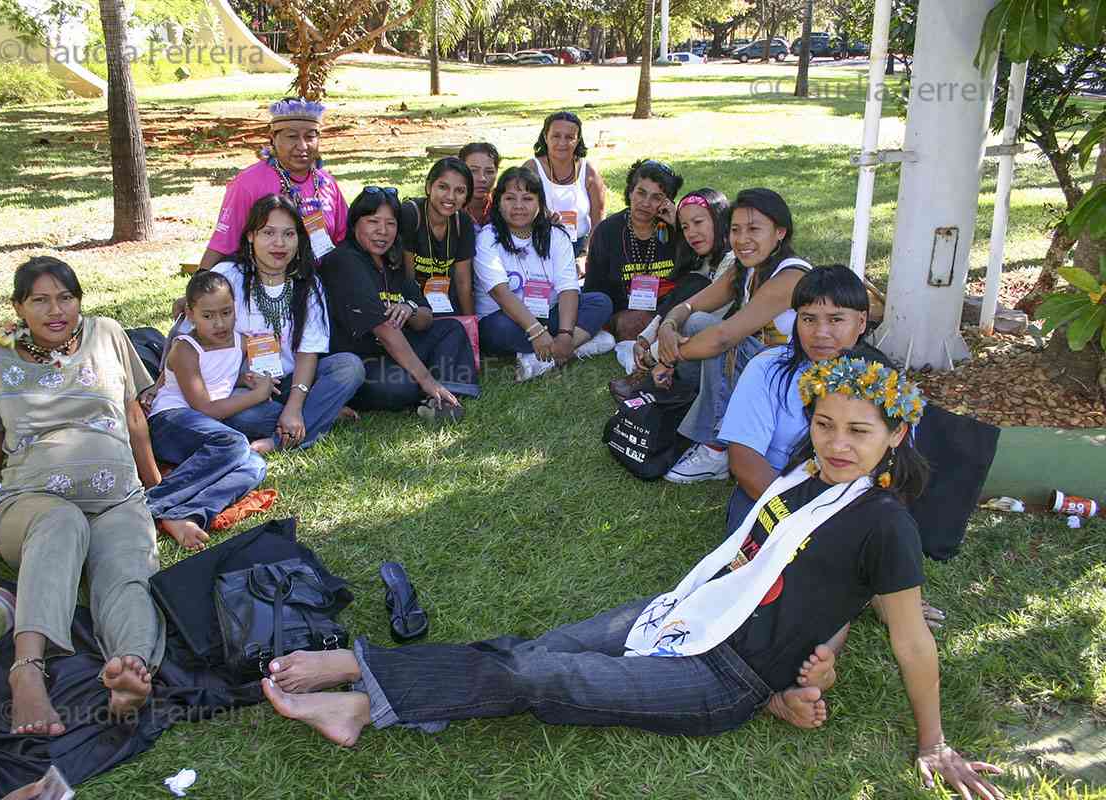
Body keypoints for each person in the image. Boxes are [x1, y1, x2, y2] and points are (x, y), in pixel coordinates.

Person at [258, 352, 1006, 800]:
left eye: (859, 431)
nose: (837, 444)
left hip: (722, 679)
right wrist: (820, 659)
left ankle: (361, 690)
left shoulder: (885, 523)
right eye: (825, 424)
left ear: (896, 433)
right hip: (683, 612)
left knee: (541, 677)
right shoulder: (806, 476)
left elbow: (910, 640)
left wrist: (933, 742)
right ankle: (363, 685)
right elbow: (809, 586)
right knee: (540, 648)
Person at [0, 257, 165, 736]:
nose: (55, 310)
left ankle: (131, 666)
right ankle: (27, 672)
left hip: (116, 500)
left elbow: (133, 418)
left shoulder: (107, 335)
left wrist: (153, 485)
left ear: (79, 301)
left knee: (127, 573)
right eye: (40, 300)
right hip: (31, 504)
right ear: (18, 307)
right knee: (62, 522)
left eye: (65, 297)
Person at [651, 188, 811, 484]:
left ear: (779, 232)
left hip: (793, 382)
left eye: (754, 229)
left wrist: (668, 356)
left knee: (721, 342)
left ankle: (716, 450)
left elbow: (724, 337)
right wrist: (669, 325)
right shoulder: (746, 268)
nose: (742, 239)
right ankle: (702, 410)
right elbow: (690, 306)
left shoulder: (790, 277)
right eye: (736, 230)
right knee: (697, 323)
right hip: (762, 368)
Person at [199, 194, 365, 450]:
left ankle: (281, 438)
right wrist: (242, 379)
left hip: (292, 383)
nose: (279, 243)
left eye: (289, 234)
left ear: (299, 239)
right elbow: (191, 338)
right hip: (240, 386)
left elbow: (308, 352)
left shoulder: (308, 284)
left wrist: (295, 407)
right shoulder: (226, 276)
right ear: (251, 236)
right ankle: (320, 414)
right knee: (241, 416)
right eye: (268, 233)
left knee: (349, 367)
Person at [716, 266, 868, 532]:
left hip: (849, 501)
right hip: (773, 492)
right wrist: (798, 517)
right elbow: (744, 459)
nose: (821, 332)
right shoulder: (767, 368)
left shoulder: (879, 378)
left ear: (862, 322)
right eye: (808, 319)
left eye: (836, 320)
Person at [319, 186, 480, 420]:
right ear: (354, 223)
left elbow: (426, 317)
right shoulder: (344, 260)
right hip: (360, 358)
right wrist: (426, 379)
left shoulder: (392, 260)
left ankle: (446, 396)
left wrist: (409, 309)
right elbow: (384, 329)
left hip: (394, 350)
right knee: (401, 385)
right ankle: (431, 388)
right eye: (373, 222)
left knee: (451, 328)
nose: (382, 231)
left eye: (391, 224)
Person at [145, 271, 276, 552]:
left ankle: (187, 513)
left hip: (204, 431)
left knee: (254, 464)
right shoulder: (185, 349)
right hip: (170, 422)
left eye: (226, 312)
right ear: (191, 315)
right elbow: (205, 408)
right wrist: (256, 395)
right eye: (208, 316)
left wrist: (245, 380)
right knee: (235, 443)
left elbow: (221, 376)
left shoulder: (241, 342)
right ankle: (150, 504)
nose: (219, 323)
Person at [473, 166, 615, 382]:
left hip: (549, 313)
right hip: (508, 319)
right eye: (510, 198)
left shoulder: (556, 235)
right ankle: (578, 345)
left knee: (600, 302)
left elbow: (568, 288)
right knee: (497, 328)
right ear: (498, 203)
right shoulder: (487, 238)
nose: (519, 206)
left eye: (528, 198)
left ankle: (548, 355)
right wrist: (536, 332)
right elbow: (501, 293)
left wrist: (565, 334)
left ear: (540, 203)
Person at [200, 98, 348, 271]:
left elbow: (345, 238)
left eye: (310, 136)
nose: (302, 146)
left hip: (322, 280)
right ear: (273, 138)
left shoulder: (326, 182)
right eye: (292, 136)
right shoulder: (248, 183)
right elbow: (223, 242)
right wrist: (201, 280)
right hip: (266, 280)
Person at [583, 159, 682, 342]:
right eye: (641, 193)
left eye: (656, 197)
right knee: (629, 324)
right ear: (630, 192)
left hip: (665, 313)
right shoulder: (608, 231)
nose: (646, 203)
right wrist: (617, 318)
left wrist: (678, 227)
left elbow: (695, 273)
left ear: (667, 202)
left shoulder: (676, 230)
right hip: (620, 313)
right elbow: (594, 289)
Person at [522, 111, 606, 262]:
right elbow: (518, 211)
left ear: (578, 140)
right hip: (539, 245)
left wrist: (585, 255)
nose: (562, 142)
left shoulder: (588, 171)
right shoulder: (532, 169)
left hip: (579, 246)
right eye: (556, 136)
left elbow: (598, 220)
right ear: (545, 137)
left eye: (569, 137)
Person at [400, 157, 477, 316]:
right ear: (429, 187)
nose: (451, 197)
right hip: (411, 303)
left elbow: (463, 281)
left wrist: (470, 321)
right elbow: (408, 278)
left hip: (444, 298)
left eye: (460, 191)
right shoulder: (411, 214)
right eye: (443, 187)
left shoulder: (463, 222)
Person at [459, 142, 500, 231]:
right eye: (473, 171)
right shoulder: (449, 209)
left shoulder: (504, 208)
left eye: (489, 172)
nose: (482, 178)